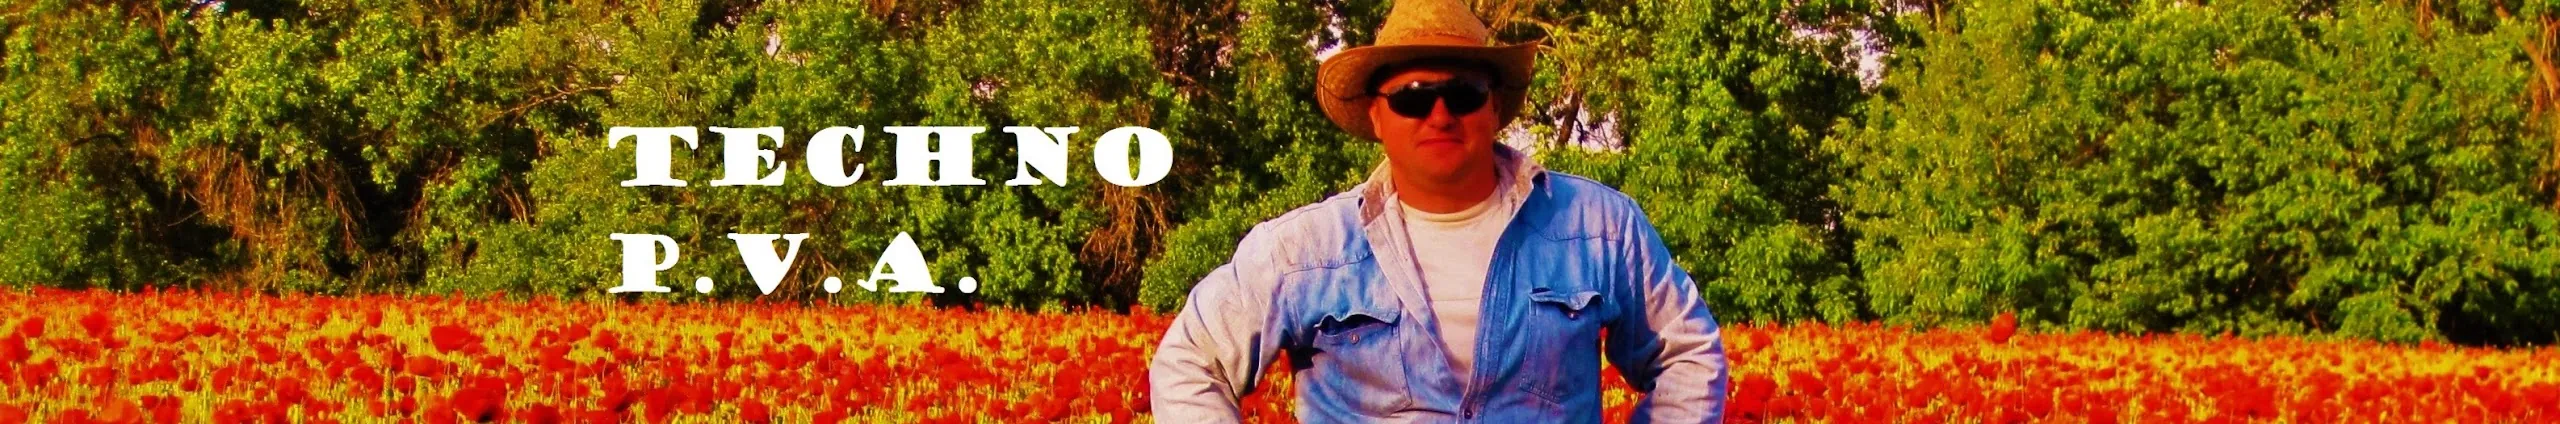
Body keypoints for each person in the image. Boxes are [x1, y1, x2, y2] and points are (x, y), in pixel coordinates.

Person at [1147, 0, 1730, 422]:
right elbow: (1190, 361)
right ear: (1377, 116)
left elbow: (1688, 354)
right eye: (1413, 98)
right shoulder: (1306, 250)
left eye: (1464, 94)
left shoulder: (1598, 227)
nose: (1441, 114)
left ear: (1494, 107)